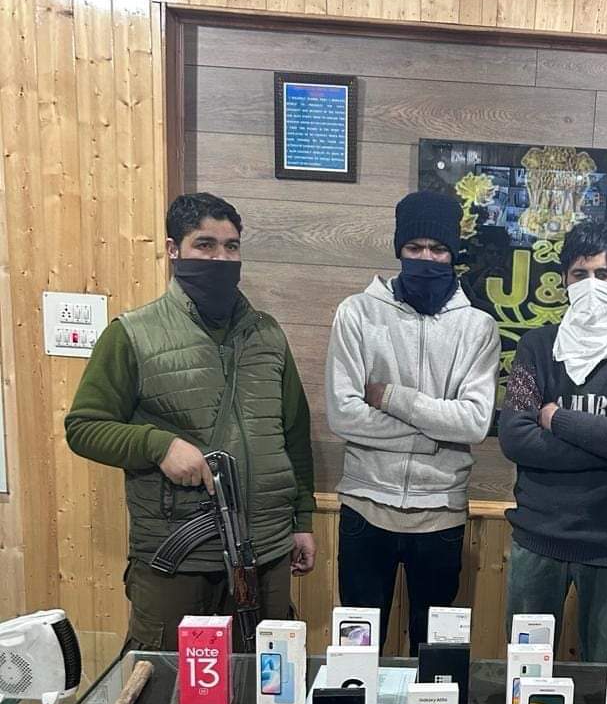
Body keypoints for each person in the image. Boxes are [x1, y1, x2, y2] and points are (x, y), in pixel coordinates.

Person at [66, 192, 316, 651]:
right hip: (177, 560)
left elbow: (294, 435)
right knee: (167, 679)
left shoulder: (268, 334)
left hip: (266, 551)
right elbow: (84, 426)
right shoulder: (132, 334)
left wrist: (302, 520)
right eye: (205, 244)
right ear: (172, 249)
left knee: (266, 682)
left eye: (231, 246)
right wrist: (158, 445)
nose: (221, 258)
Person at [326, 190, 500, 656]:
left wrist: (390, 397)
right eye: (415, 247)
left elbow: (474, 422)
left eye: (438, 249)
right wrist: (431, 436)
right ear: (399, 248)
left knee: (435, 654)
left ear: (453, 253)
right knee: (356, 652)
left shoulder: (478, 327)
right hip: (366, 507)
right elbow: (344, 413)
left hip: (440, 512)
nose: (426, 258)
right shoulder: (356, 314)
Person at [499, 221, 607, 662]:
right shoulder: (537, 347)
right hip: (537, 538)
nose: (591, 284)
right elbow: (516, 438)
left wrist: (558, 419)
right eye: (580, 274)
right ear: (564, 281)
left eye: (602, 274)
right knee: (525, 673)